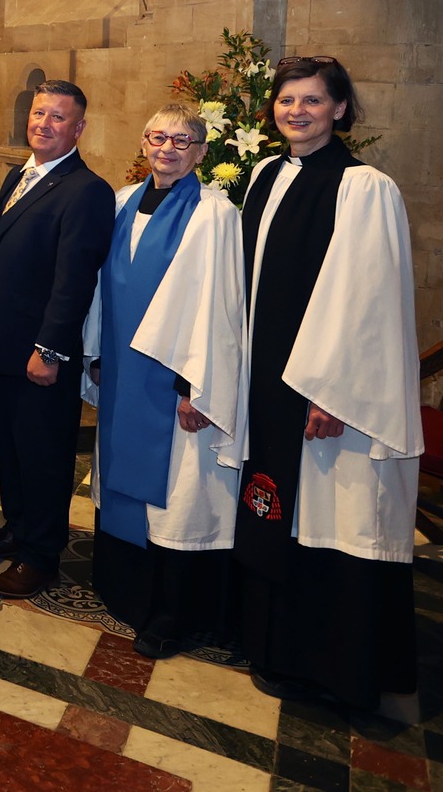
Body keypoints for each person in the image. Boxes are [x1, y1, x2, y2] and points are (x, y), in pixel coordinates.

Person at [233, 56, 420, 708]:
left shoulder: (364, 188)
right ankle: (269, 644)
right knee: (275, 508)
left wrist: (330, 391)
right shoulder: (262, 175)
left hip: (324, 397)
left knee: (327, 514)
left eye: (312, 100)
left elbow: (366, 301)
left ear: (340, 108)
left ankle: (329, 664)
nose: (297, 111)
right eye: (287, 100)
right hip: (266, 385)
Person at [86, 104, 245, 658]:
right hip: (124, 373)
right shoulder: (123, 201)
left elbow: (219, 305)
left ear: (202, 152)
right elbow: (103, 285)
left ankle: (173, 611)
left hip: (176, 382)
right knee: (122, 481)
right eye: (158, 137)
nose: (168, 148)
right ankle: (124, 590)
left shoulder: (215, 212)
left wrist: (194, 385)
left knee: (180, 495)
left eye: (183, 140)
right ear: (144, 143)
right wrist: (94, 352)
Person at [0, 78, 113, 598]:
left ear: (79, 128)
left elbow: (74, 280)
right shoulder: (17, 176)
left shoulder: (86, 190)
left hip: (41, 353)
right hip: (7, 346)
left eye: (57, 117)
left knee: (44, 454)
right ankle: (18, 526)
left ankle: (41, 554)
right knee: (10, 447)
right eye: (38, 113)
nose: (43, 124)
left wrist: (49, 349)